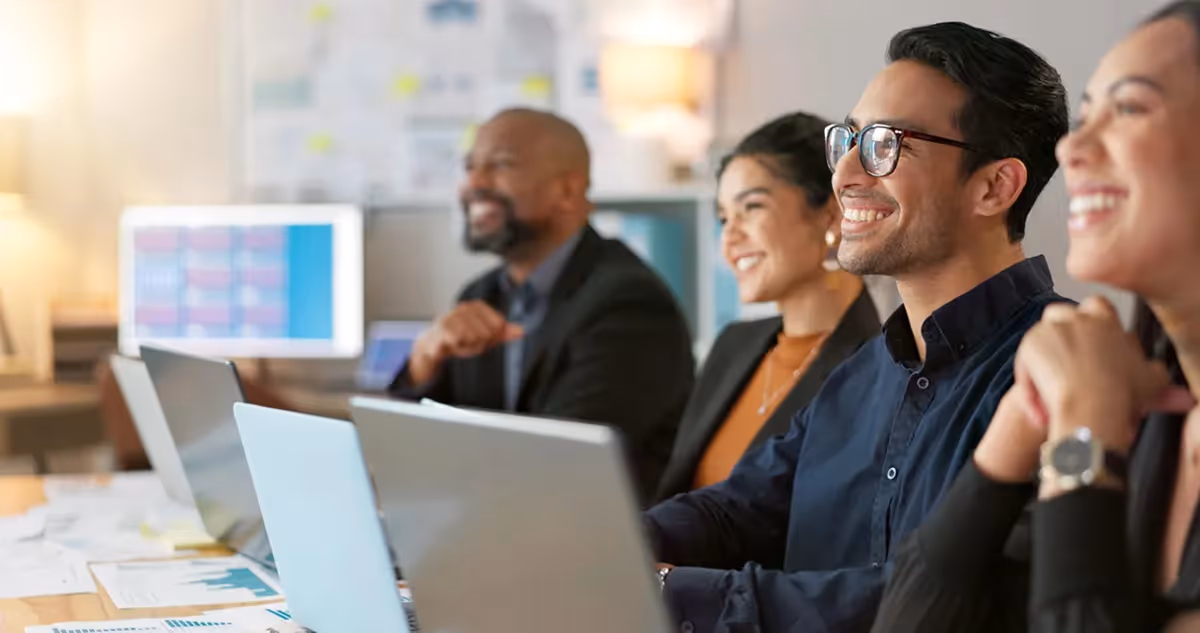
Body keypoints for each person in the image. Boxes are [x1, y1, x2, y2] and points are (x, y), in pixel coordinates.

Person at [644, 21, 1069, 631]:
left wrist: (669, 588)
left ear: (994, 187)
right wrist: (616, 542)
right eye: (846, 140)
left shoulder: (1064, 367)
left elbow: (966, 598)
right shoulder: (864, 373)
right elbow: (740, 508)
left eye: (884, 145)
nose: (843, 175)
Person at [871, 3, 1200, 632]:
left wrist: (1082, 436)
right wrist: (1021, 423)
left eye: (1128, 108)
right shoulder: (1140, 395)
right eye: (1086, 115)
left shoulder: (1099, 407)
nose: (1073, 146)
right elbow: (909, 620)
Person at [388, 108, 695, 503]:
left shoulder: (629, 305)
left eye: (500, 166)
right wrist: (423, 362)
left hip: (590, 543)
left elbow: (559, 464)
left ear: (567, 191)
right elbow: (407, 452)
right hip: (496, 525)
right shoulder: (479, 296)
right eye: (469, 167)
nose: (474, 183)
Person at [654, 111, 879, 502]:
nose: (730, 239)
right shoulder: (733, 346)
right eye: (724, 218)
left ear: (831, 213)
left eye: (752, 208)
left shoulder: (879, 368)